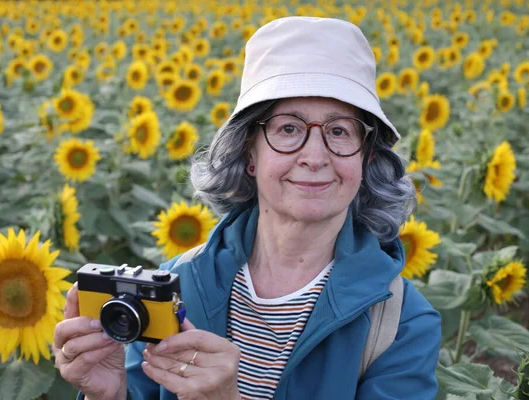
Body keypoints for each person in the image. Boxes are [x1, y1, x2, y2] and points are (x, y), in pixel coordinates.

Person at [53, 16, 441, 400]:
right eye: (289, 129)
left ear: (366, 158)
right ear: (248, 153)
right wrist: (109, 395)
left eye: (339, 131)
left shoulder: (400, 324)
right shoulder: (176, 286)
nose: (315, 156)